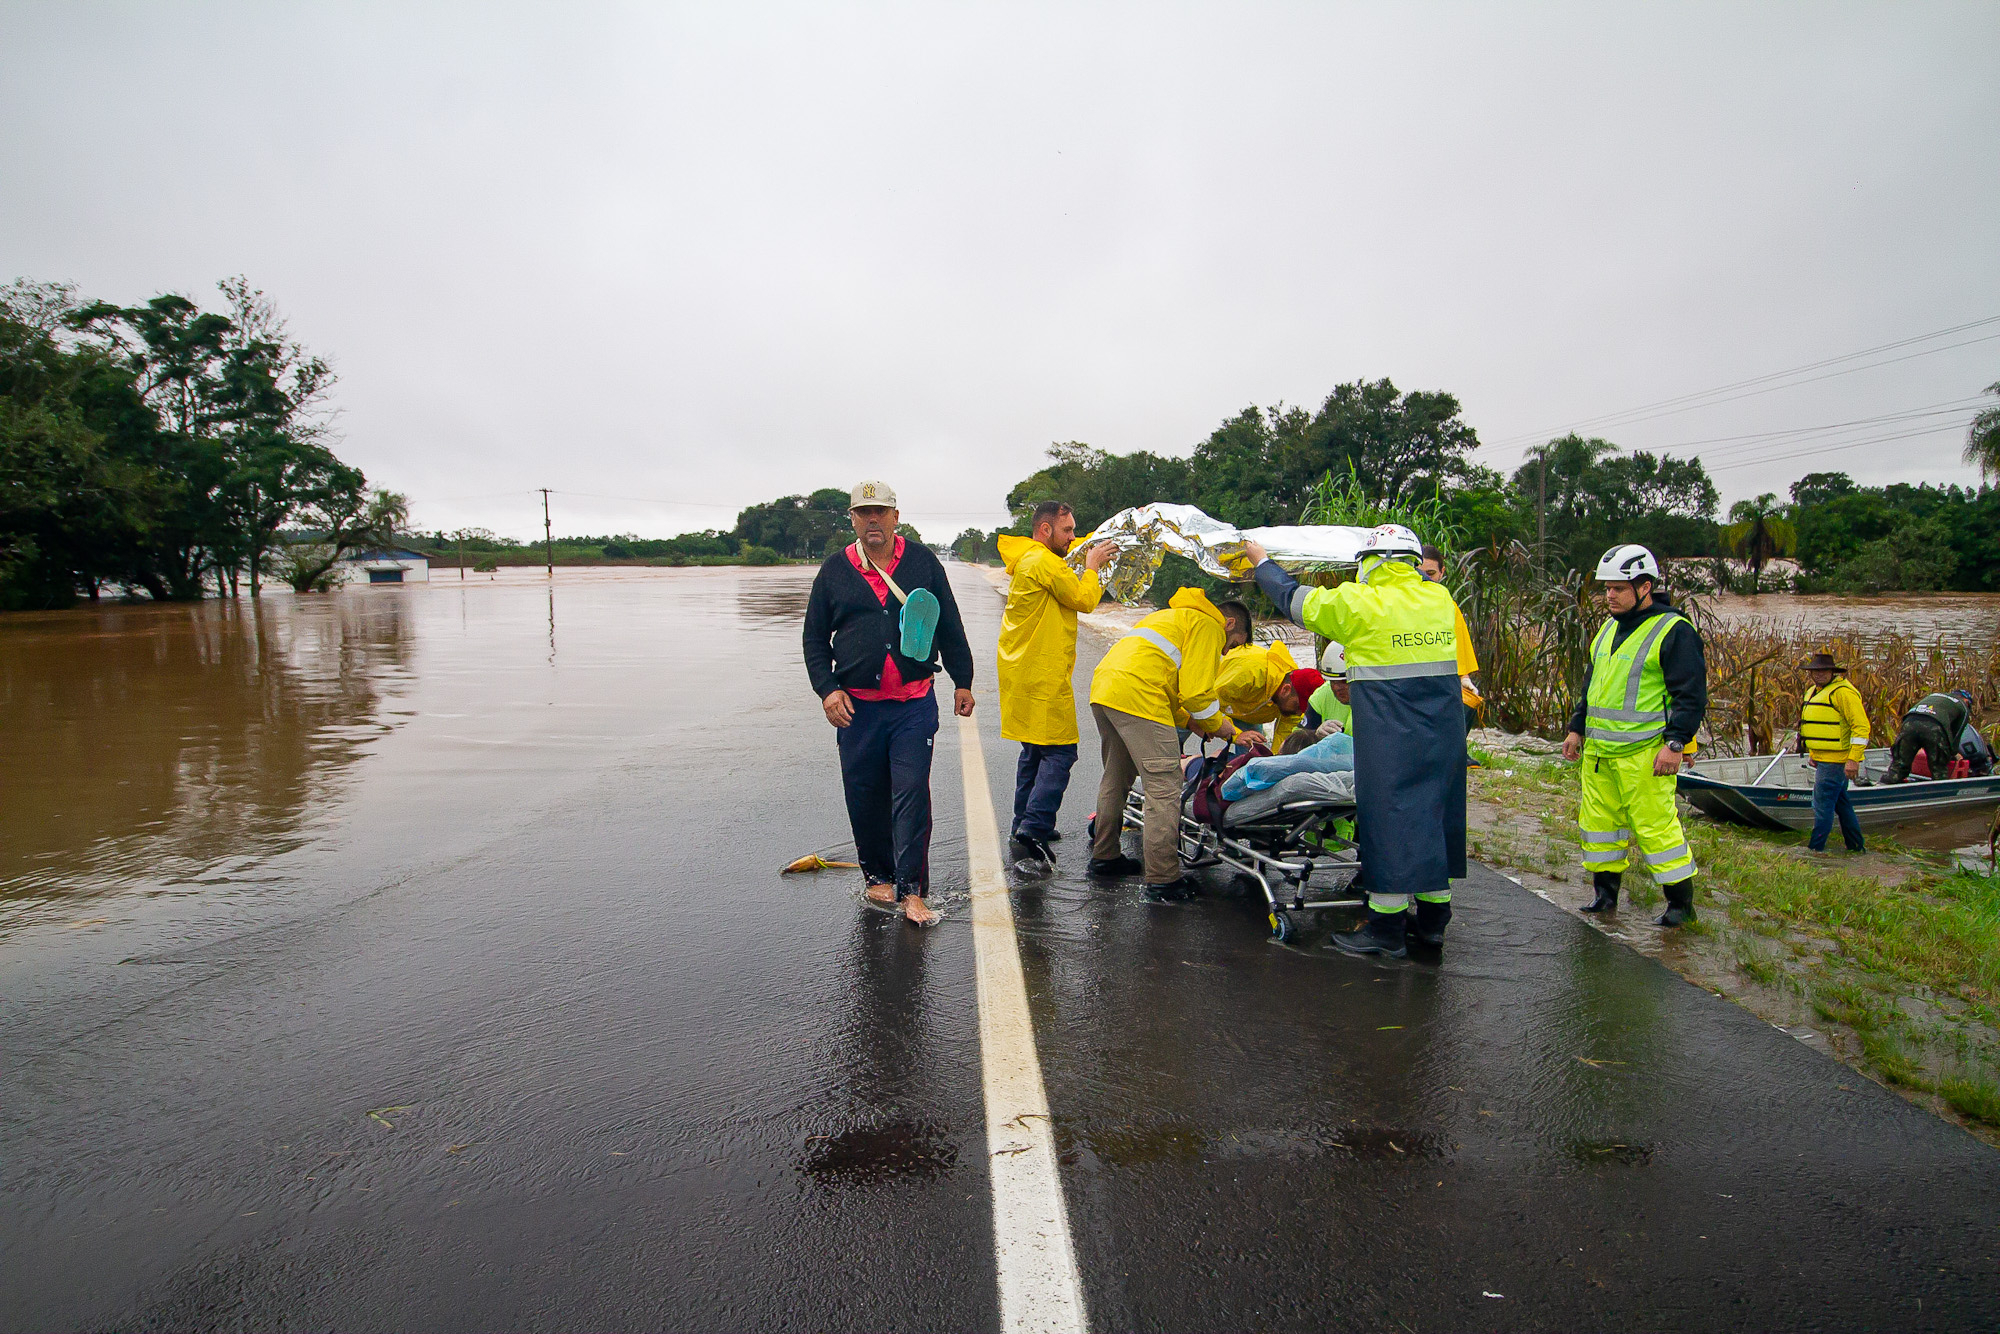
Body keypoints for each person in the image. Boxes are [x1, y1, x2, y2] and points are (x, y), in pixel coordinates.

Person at [1244, 524, 1466, 956]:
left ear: (1374, 562)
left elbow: (1293, 599)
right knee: (1433, 820)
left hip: (1391, 732)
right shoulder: (1440, 598)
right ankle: (1434, 924)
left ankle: (1385, 931)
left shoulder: (1358, 603)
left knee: (1388, 824)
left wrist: (1261, 562)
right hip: (1443, 730)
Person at [803, 481, 975, 927]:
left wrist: (963, 680)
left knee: (911, 794)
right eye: (864, 513)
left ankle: (912, 890)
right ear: (853, 519)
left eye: (880, 512)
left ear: (896, 517)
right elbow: (814, 639)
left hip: (913, 704)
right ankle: (878, 875)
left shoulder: (922, 563)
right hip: (857, 710)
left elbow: (949, 622)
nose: (872, 520)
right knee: (864, 796)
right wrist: (827, 689)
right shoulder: (835, 571)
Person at [1560, 544, 1707, 927]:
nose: (1609, 595)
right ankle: (1604, 897)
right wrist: (1577, 728)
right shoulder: (1608, 627)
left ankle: (1680, 906)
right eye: (1606, 588)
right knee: (1601, 827)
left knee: (1658, 831)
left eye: (1618, 588)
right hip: (1600, 753)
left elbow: (1690, 696)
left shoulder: (1673, 630)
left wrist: (1675, 744)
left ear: (1645, 587)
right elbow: (1592, 685)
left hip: (1645, 753)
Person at [1088, 586, 1262, 900]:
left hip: (1106, 690)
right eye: (1231, 646)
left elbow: (1170, 685)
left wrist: (1193, 722)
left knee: (1116, 777)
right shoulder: (1209, 625)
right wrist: (1226, 729)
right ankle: (1163, 879)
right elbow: (1197, 695)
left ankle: (1105, 856)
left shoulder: (1173, 616)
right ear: (1231, 625)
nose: (1225, 653)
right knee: (1164, 786)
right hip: (1139, 695)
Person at [995, 502, 1114, 863]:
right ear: (1045, 531)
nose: (1072, 537)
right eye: (1067, 531)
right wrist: (1093, 568)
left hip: (1021, 669)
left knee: (1034, 750)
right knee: (1061, 751)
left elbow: (1074, 553)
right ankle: (1034, 826)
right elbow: (1083, 599)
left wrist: (1099, 541)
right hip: (1041, 673)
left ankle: (1024, 822)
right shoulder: (1044, 562)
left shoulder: (1030, 559)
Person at [1795, 651, 1868, 854]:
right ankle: (1855, 846)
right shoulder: (1813, 691)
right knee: (1841, 804)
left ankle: (1815, 849)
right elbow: (1816, 725)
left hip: (1837, 761)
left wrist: (1853, 759)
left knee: (1822, 806)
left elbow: (1861, 727)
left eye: (1823, 671)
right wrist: (1813, 753)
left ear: (1832, 672)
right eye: (1814, 671)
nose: (1818, 675)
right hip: (1823, 757)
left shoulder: (1843, 693)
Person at [1419, 543, 1485, 731]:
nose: (1425, 579)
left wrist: (1464, 680)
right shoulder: (1395, 603)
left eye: (1430, 573)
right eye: (1419, 572)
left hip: (1440, 692)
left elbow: (1458, 648)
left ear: (1442, 572)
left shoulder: (1449, 606)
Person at [1883, 688, 1991, 782]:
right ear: (1967, 701)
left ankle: (1891, 784)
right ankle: (1941, 793)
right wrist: (1952, 753)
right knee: (1939, 769)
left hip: (1909, 723)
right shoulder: (1962, 706)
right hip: (1933, 727)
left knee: (1899, 765)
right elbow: (1956, 733)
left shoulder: (1935, 696)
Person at [1285, 640, 1352, 753]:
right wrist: (1315, 735)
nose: (1337, 688)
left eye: (1344, 682)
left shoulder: (1377, 697)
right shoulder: (1322, 696)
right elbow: (1294, 744)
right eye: (1333, 682)